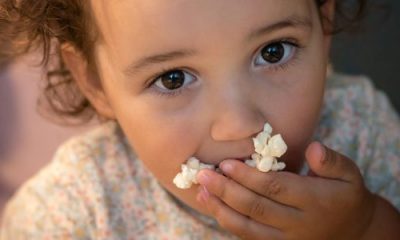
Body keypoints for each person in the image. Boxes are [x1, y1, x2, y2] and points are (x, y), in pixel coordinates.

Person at [1, 0, 399, 239]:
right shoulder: (68, 215)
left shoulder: (360, 128)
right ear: (93, 81)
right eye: (173, 79)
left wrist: (362, 229)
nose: (239, 123)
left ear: (324, 20)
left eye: (274, 52)